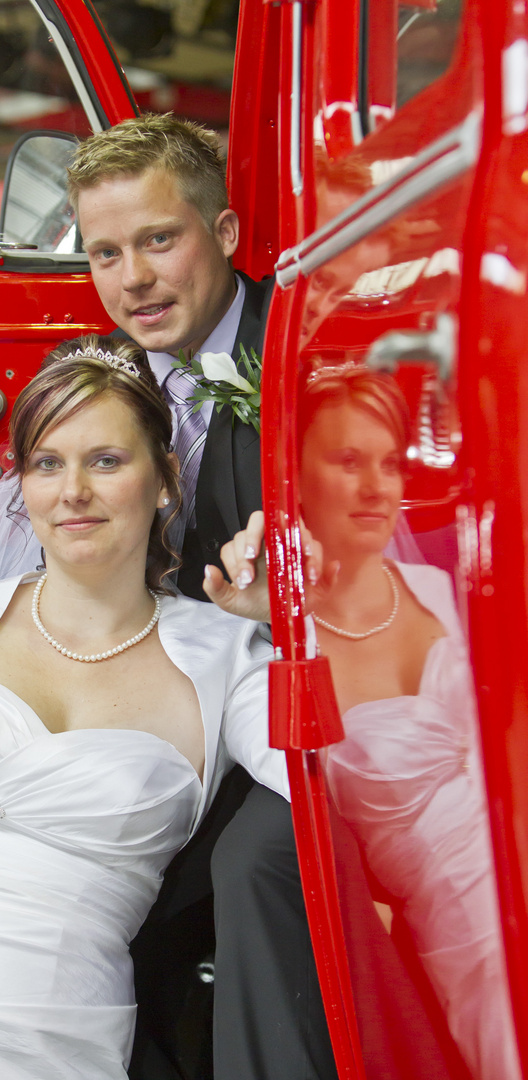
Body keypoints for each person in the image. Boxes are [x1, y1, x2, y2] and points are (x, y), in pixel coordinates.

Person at [0, 113, 336, 1080]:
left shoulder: (311, 352)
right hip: (147, 705)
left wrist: (297, 588)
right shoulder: (99, 379)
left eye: (161, 239)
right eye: (106, 252)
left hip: (303, 694)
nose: (134, 280)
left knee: (250, 866)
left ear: (227, 234)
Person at [0, 338, 289, 1080]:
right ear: (21, 486)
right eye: (47, 463)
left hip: (45, 1030)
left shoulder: (226, 654)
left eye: (105, 460)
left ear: (164, 480)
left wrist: (298, 627)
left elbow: (334, 774)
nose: (72, 491)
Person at [240, 362, 521, 1080]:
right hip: (461, 903)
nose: (377, 488)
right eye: (347, 462)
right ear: (294, 478)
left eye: (390, 464)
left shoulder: (432, 586)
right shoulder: (283, 638)